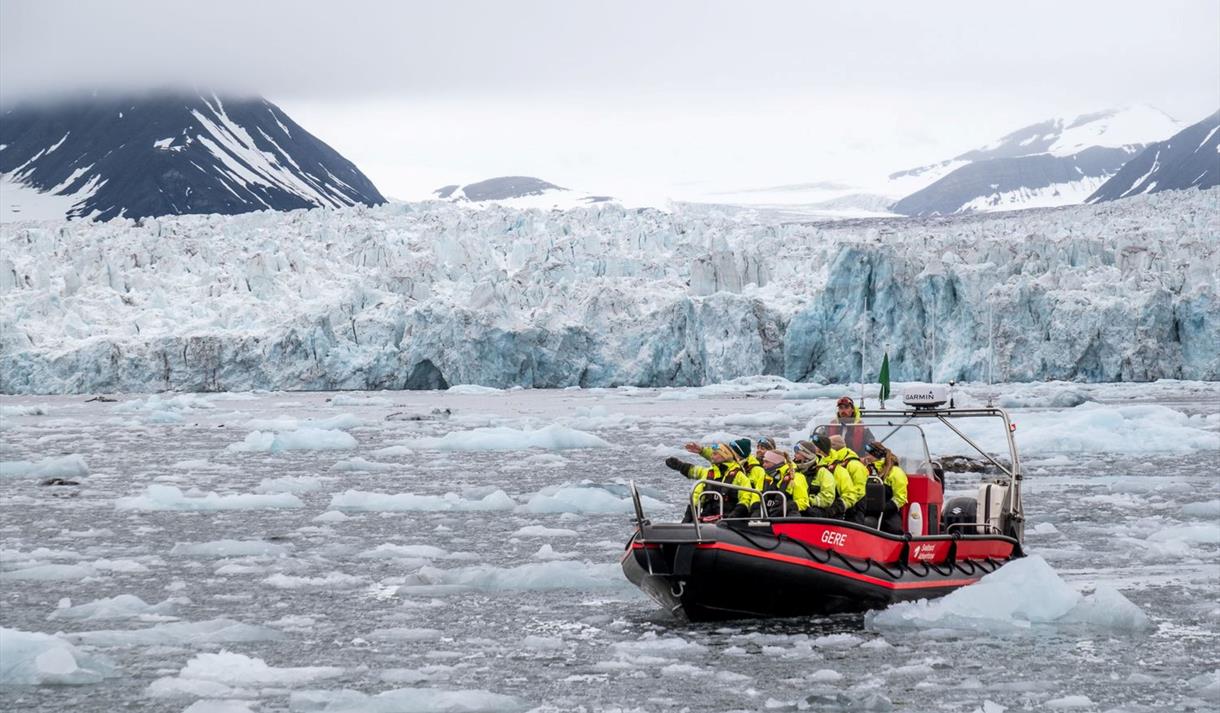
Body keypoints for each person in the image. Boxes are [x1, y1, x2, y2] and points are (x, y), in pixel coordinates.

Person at [665, 443, 751, 520]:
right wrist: (679, 465)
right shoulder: (709, 473)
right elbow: (694, 474)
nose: (712, 456)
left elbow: (745, 498)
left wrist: (735, 514)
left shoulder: (739, 476)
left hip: (728, 517)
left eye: (715, 454)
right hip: (707, 516)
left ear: (724, 456)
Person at [751, 449, 811, 518]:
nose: (763, 465)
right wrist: (756, 507)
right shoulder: (764, 477)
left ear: (776, 463)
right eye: (763, 462)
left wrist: (787, 507)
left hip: (786, 516)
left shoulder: (796, 477)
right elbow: (756, 494)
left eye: (766, 462)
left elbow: (803, 502)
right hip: (766, 514)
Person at [866, 441, 909, 535]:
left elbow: (900, 497)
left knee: (894, 530)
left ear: (877, 456)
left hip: (888, 511)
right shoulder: (867, 469)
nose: (867, 457)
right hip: (867, 509)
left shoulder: (896, 472)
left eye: (869, 455)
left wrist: (883, 509)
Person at [809, 433, 856, 518]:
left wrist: (836, 508)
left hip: (832, 516)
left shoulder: (839, 471)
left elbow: (850, 496)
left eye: (813, 448)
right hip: (809, 511)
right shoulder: (808, 467)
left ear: (820, 451)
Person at [827, 433, 870, 524]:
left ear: (834, 448)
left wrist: (843, 504)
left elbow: (859, 490)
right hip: (839, 505)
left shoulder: (854, 465)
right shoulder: (834, 462)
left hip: (854, 508)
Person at [794, 440, 838, 518]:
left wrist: (808, 502)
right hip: (797, 509)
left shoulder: (823, 473)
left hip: (816, 512)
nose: (795, 456)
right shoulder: (793, 471)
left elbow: (828, 498)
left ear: (807, 455)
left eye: (797, 453)